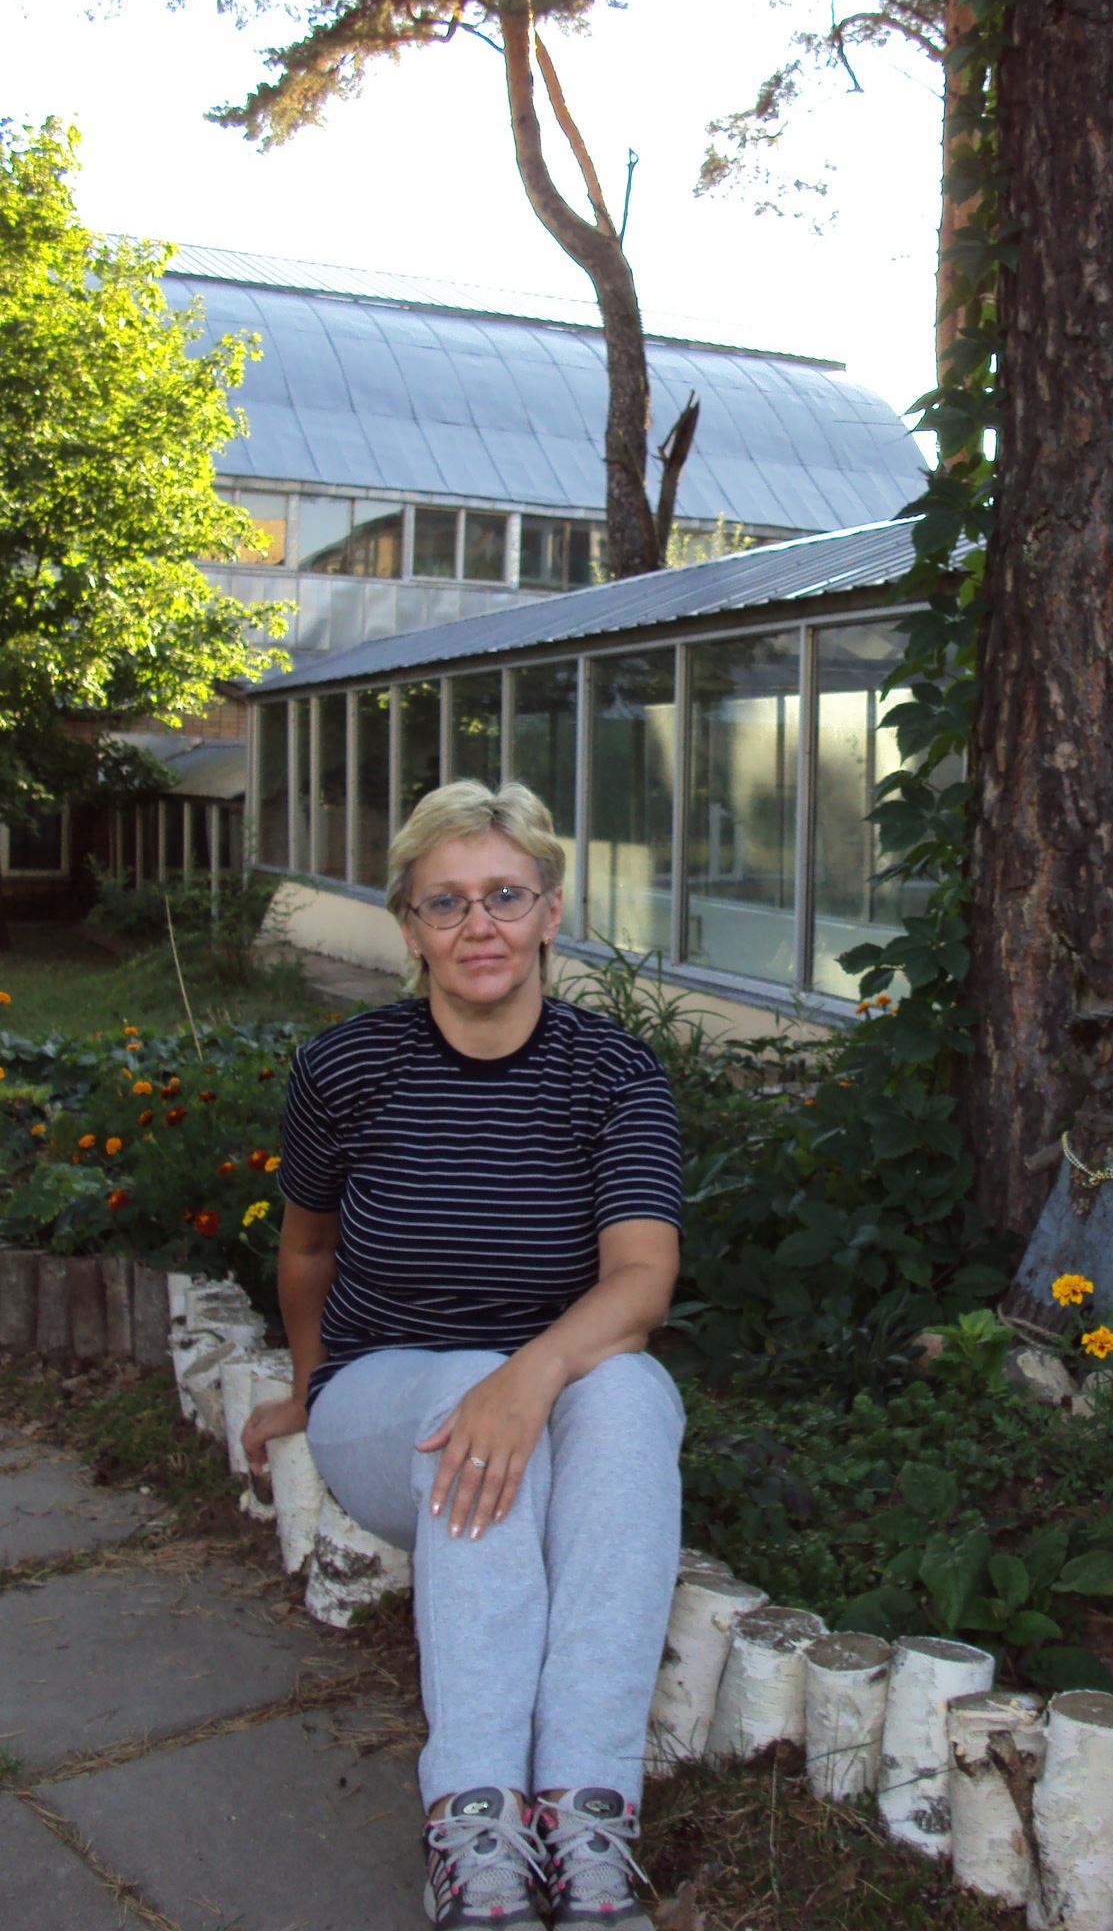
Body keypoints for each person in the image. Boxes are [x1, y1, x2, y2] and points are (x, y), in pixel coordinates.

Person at [244, 779, 685, 1930]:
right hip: (386, 1407)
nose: (477, 924)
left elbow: (641, 1280)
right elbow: (307, 1248)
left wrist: (526, 1375)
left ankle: (588, 1816)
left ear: (550, 911)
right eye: (445, 901)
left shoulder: (616, 1073)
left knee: (633, 1389)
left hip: (537, 1397)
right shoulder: (344, 1069)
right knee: (457, 1393)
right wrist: (306, 1386)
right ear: (409, 925)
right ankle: (475, 1823)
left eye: (504, 895)